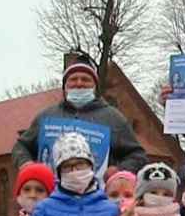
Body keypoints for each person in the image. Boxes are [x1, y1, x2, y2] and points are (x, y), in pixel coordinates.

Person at [11, 56, 147, 174]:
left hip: (97, 199)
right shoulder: (46, 116)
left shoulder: (113, 118)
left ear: (95, 87)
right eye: (73, 79)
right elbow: (21, 147)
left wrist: (119, 170)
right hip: (51, 197)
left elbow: (137, 155)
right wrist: (25, 164)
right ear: (65, 87)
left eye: (86, 79)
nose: (79, 83)